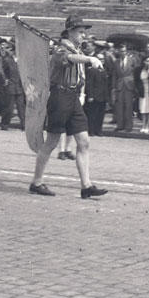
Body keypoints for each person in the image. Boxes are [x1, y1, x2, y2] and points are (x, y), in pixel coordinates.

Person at [29, 15, 109, 199]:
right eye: (80, 32)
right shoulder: (60, 49)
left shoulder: (76, 48)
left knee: (84, 141)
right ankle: (37, 182)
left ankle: (86, 186)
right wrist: (89, 59)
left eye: (84, 33)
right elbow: (69, 59)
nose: (84, 36)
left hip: (73, 97)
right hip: (60, 96)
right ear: (70, 32)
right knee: (52, 142)